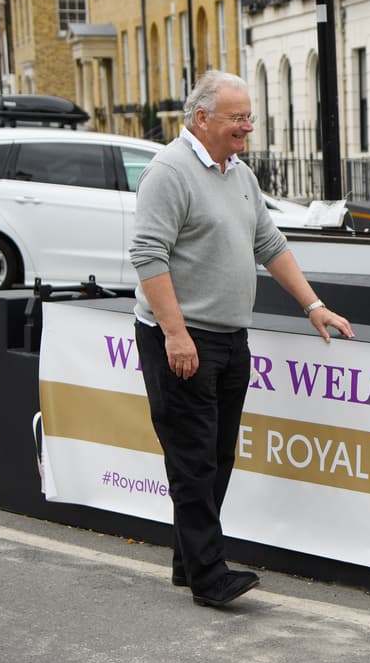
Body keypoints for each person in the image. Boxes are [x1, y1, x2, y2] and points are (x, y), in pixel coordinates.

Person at [129, 70, 354, 608]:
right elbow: (147, 257)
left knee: (217, 455)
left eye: (249, 117)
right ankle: (210, 577)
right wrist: (175, 334)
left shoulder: (239, 174)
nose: (248, 127)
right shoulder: (169, 172)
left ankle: (189, 562)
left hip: (230, 338)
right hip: (184, 341)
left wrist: (313, 305)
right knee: (193, 460)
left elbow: (269, 242)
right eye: (238, 118)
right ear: (201, 119)